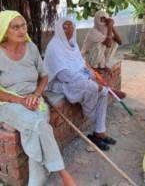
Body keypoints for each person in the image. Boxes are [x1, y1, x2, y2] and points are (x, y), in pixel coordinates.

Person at [0, 10, 77, 186]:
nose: (21, 30)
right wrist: (21, 100)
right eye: (15, 27)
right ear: (4, 30)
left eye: (23, 26)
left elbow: (44, 76)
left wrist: (35, 95)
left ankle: (36, 181)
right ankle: (64, 174)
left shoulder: (32, 48)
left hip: (35, 102)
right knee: (39, 125)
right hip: (8, 104)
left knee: (37, 128)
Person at [44, 17, 122, 151]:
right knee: (93, 87)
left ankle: (99, 132)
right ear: (58, 29)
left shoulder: (72, 45)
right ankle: (92, 113)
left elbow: (81, 64)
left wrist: (91, 74)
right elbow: (64, 75)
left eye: (72, 25)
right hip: (59, 84)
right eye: (65, 26)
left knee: (101, 91)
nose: (70, 29)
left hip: (76, 80)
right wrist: (87, 79)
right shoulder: (54, 47)